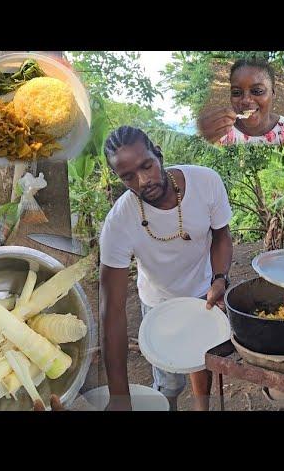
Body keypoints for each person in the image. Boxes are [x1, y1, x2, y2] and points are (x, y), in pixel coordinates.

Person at [99, 126, 233, 411]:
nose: (144, 180)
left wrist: (220, 279)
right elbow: (112, 311)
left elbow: (221, 236)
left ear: (158, 154)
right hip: (159, 303)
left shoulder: (206, 182)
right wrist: (119, 398)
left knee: (201, 360)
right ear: (118, 179)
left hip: (203, 293)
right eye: (128, 177)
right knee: (169, 381)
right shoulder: (119, 223)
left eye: (147, 165)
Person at [197, 58, 284, 145]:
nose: (246, 100)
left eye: (257, 91)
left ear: (273, 93)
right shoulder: (219, 133)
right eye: (236, 92)